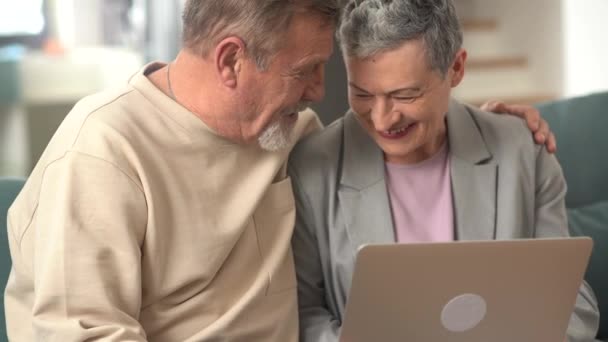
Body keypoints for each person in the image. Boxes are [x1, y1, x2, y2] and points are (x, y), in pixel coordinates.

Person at [4, 0, 555, 341]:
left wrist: (489, 127)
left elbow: (402, 138)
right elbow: (81, 335)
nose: (319, 91)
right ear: (230, 61)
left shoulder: (287, 133)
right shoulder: (102, 153)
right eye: (307, 71)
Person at [288, 0, 600, 341]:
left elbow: (573, 300)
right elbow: (304, 313)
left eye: (404, 94)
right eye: (362, 93)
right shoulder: (311, 167)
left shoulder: (524, 151)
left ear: (456, 68)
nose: (382, 119)